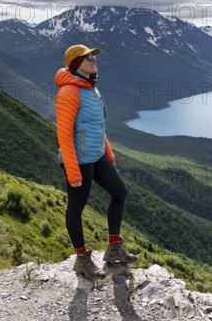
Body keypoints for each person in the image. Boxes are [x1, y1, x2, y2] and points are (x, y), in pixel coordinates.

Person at [55, 44, 137, 278]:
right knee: (76, 207)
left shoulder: (90, 87)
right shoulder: (69, 92)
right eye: (88, 57)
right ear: (75, 64)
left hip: (96, 154)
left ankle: (113, 249)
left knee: (120, 193)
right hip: (79, 160)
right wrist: (72, 170)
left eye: (93, 56)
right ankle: (81, 258)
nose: (94, 60)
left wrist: (107, 151)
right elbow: (64, 133)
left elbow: (97, 127)